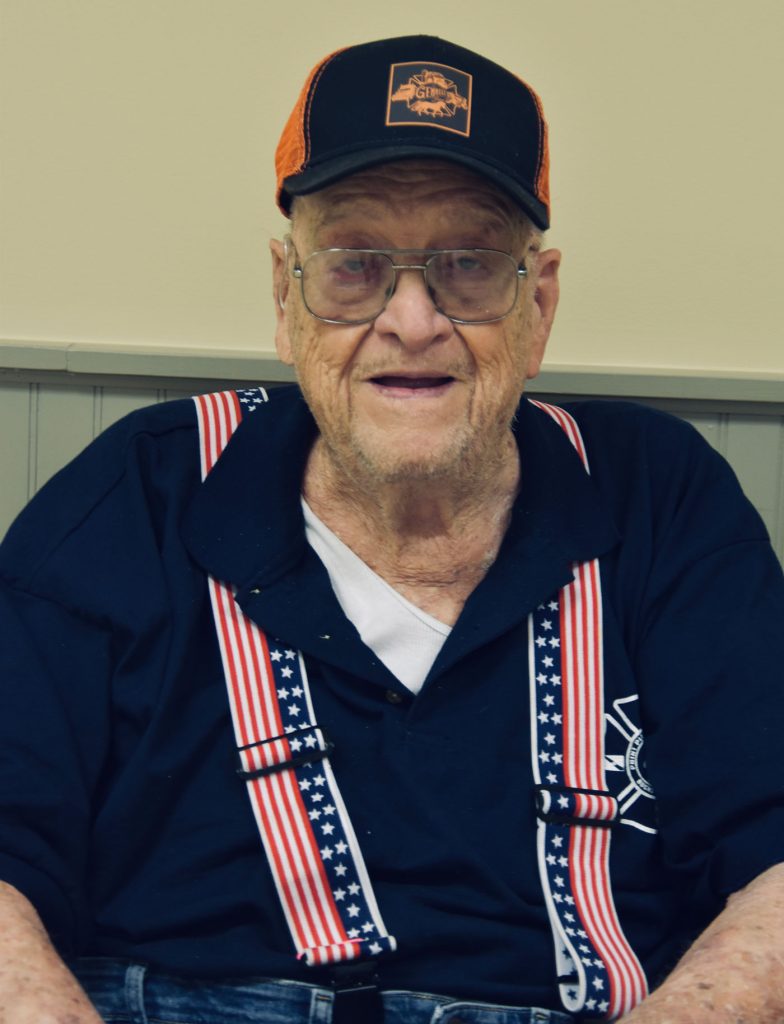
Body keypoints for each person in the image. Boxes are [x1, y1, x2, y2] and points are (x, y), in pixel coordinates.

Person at [0, 34, 783, 1024]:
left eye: (466, 265)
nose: (411, 319)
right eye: (354, 263)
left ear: (536, 306)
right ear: (286, 300)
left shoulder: (657, 496)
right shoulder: (140, 491)